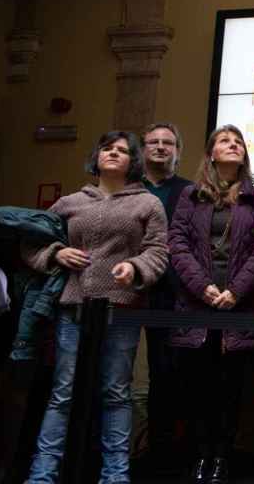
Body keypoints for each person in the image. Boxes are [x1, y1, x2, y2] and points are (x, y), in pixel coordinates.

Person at [22, 130, 169, 484]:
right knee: (63, 392)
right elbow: (30, 244)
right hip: (73, 308)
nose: (114, 154)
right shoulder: (70, 202)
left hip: (122, 310)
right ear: (97, 156)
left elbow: (159, 252)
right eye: (107, 148)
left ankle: (115, 476)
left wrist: (135, 268)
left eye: (122, 150)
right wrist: (55, 253)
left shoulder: (148, 203)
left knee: (116, 392)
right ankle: (42, 475)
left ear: (134, 161)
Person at [168, 125, 254, 483]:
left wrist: (236, 290)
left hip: (239, 308)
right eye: (225, 141)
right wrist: (204, 287)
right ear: (211, 152)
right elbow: (177, 244)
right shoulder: (189, 196)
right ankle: (201, 456)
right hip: (198, 307)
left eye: (239, 142)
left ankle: (222, 459)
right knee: (199, 388)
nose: (233, 146)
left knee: (232, 390)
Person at [140, 122, 193, 473]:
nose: (160, 147)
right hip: (127, 290)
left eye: (168, 142)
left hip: (175, 294)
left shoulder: (190, 191)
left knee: (172, 373)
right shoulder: (129, 189)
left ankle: (173, 453)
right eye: (153, 142)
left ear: (177, 150)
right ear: (143, 149)